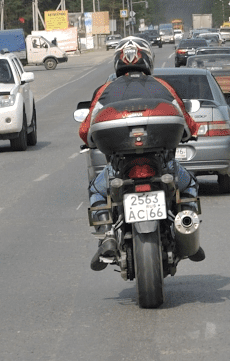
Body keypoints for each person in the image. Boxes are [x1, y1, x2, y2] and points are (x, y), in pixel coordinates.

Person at [82, 41, 205, 271]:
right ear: (148, 61)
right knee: (189, 185)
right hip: (162, 164)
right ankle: (187, 226)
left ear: (117, 62)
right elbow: (187, 120)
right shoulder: (162, 86)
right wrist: (190, 132)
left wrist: (88, 139)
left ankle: (106, 234)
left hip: (120, 167)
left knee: (97, 190)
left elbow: (86, 127)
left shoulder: (105, 90)